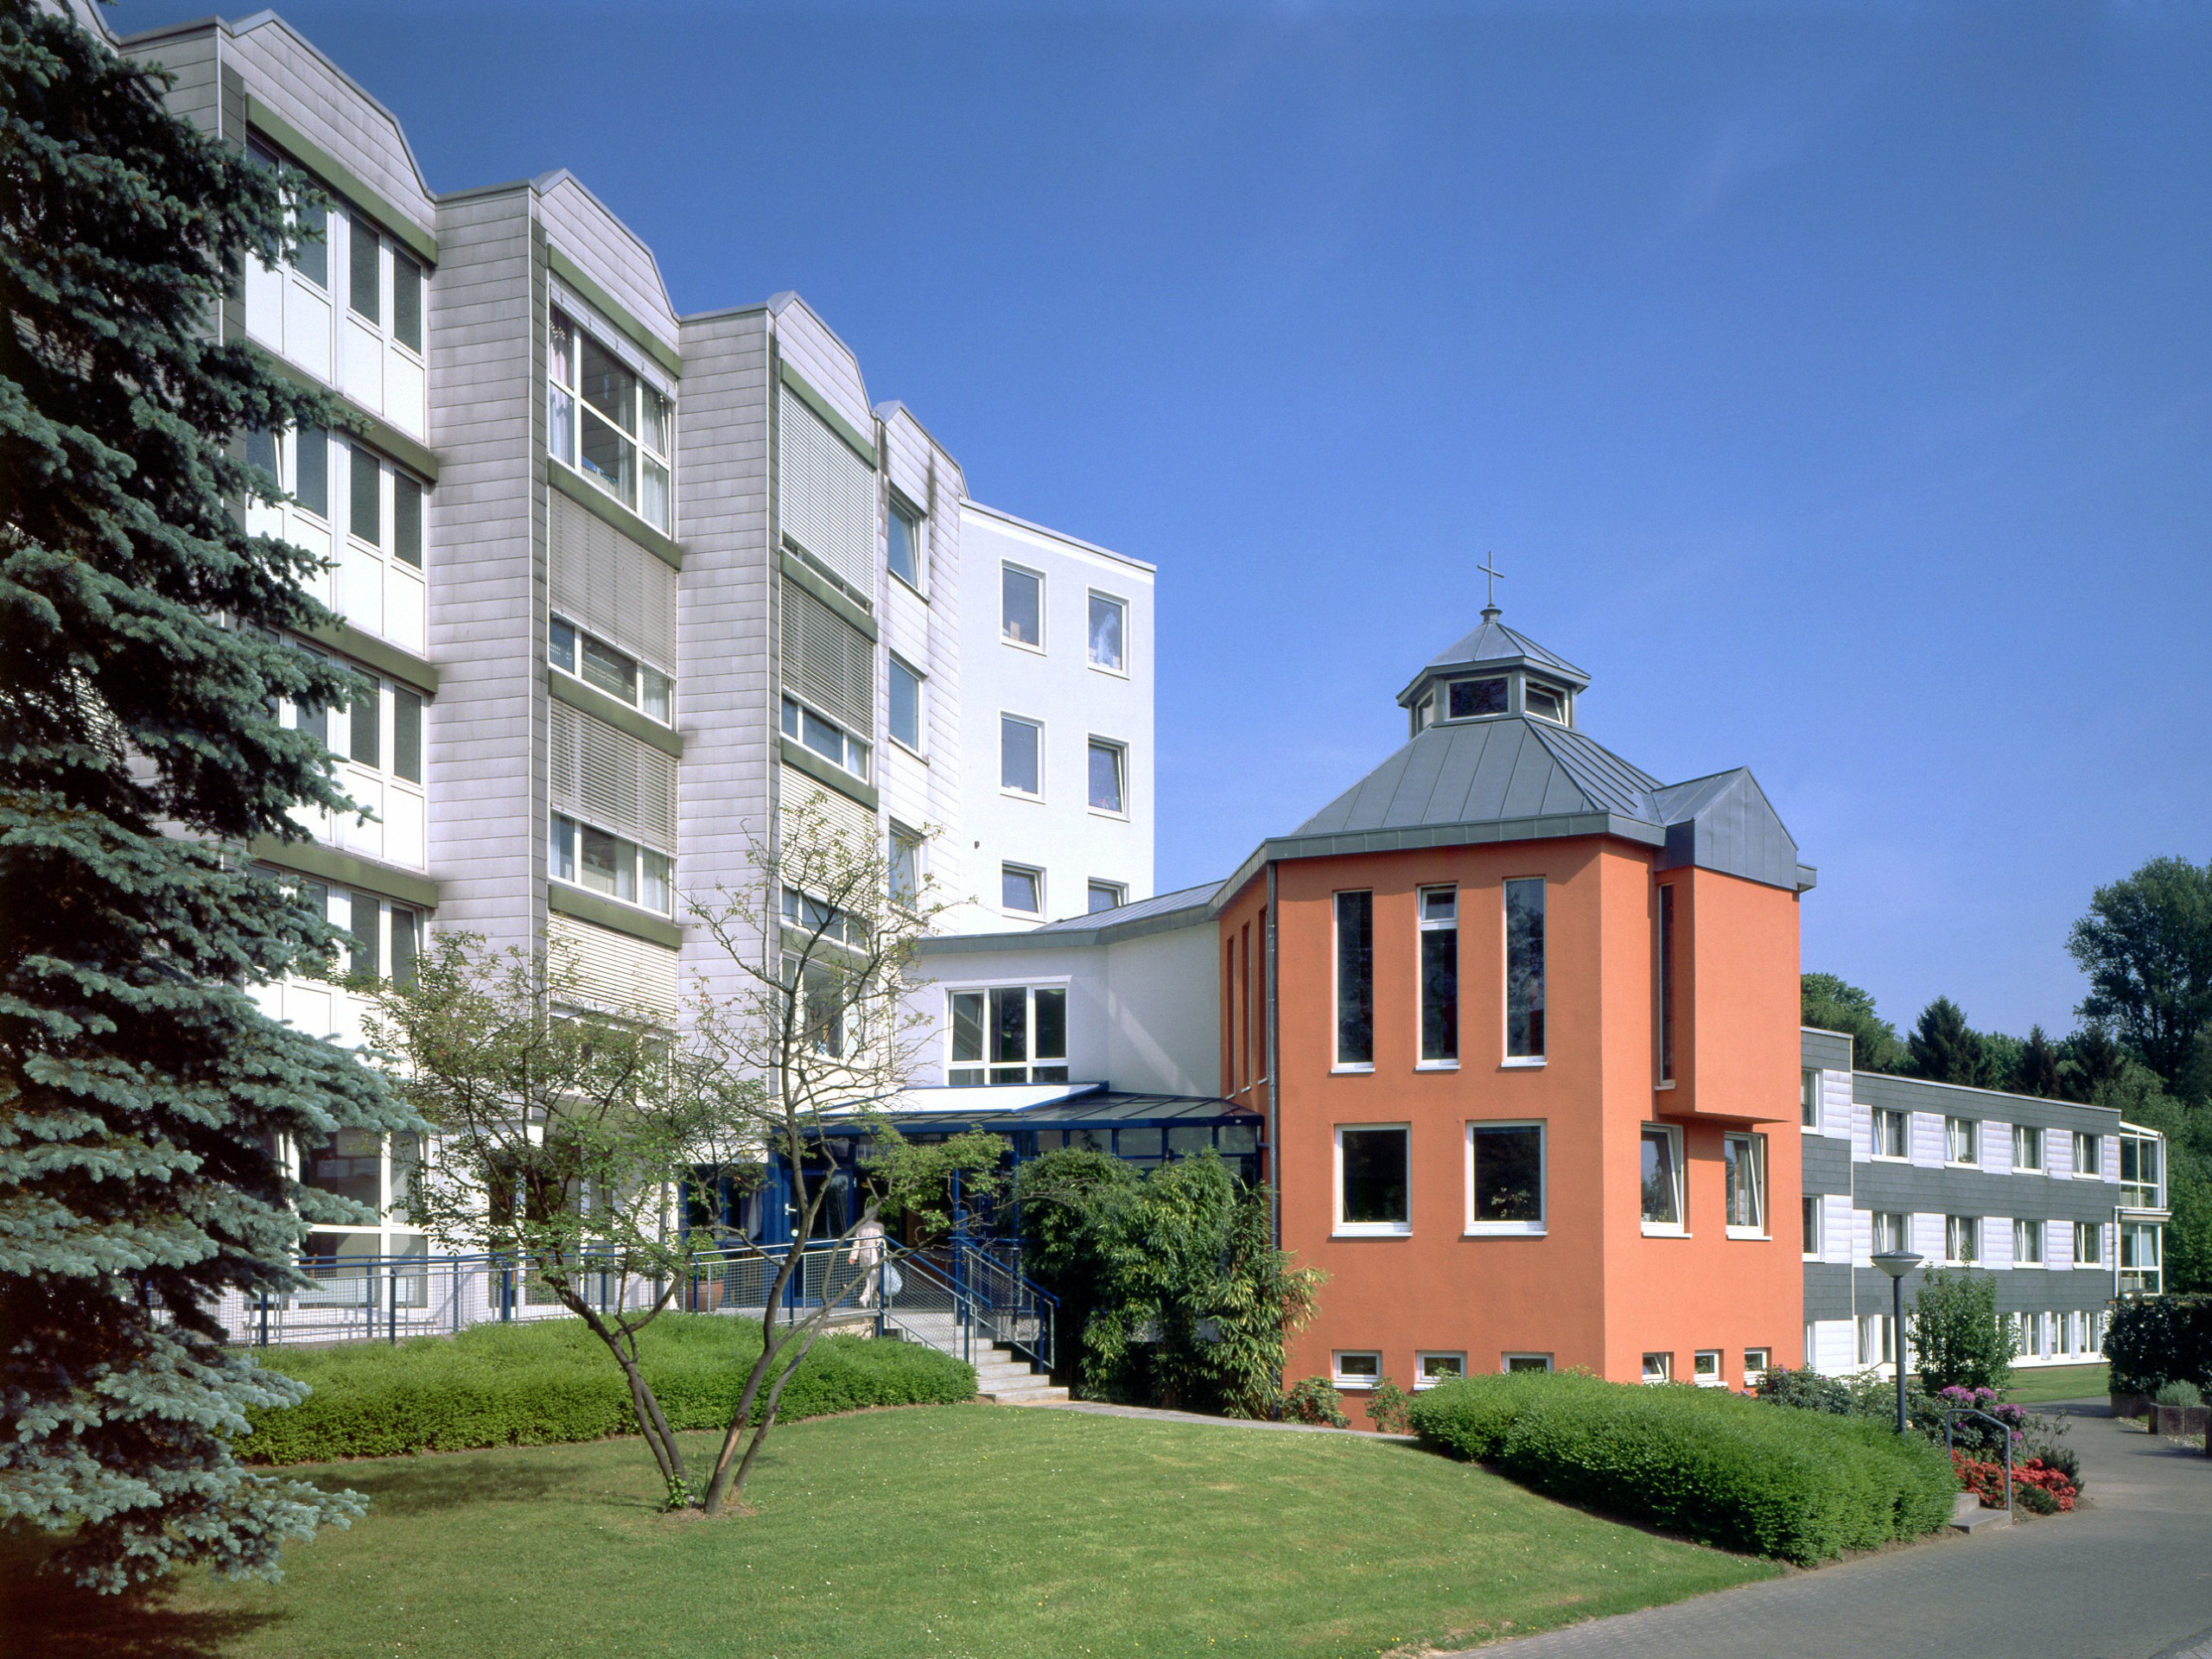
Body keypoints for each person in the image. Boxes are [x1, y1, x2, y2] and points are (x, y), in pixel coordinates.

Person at [846, 1215, 888, 1307]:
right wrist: (884, 1256)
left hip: (864, 1257)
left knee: (869, 1280)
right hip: (875, 1257)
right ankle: (865, 1297)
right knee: (874, 1280)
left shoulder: (861, 1228)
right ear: (875, 1217)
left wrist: (853, 1256)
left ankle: (877, 1302)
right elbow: (880, 1242)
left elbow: (856, 1244)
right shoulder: (879, 1226)